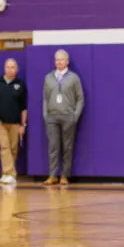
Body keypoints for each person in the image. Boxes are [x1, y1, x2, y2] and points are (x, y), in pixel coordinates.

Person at [0, 58, 28, 186]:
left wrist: (23, 125)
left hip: (15, 123)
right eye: (7, 67)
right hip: (0, 122)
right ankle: (10, 173)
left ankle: (7, 174)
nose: (10, 69)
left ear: (16, 69)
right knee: (5, 147)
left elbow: (24, 108)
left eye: (12, 67)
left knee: (13, 149)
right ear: (4, 68)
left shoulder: (21, 85)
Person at [42, 49, 84, 186]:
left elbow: (80, 99)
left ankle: (65, 176)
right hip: (52, 117)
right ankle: (53, 175)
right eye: (56, 60)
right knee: (53, 147)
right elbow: (45, 99)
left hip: (68, 117)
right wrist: (45, 115)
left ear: (67, 61)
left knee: (67, 147)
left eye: (61, 60)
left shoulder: (74, 78)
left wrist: (75, 116)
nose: (59, 62)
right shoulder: (48, 78)